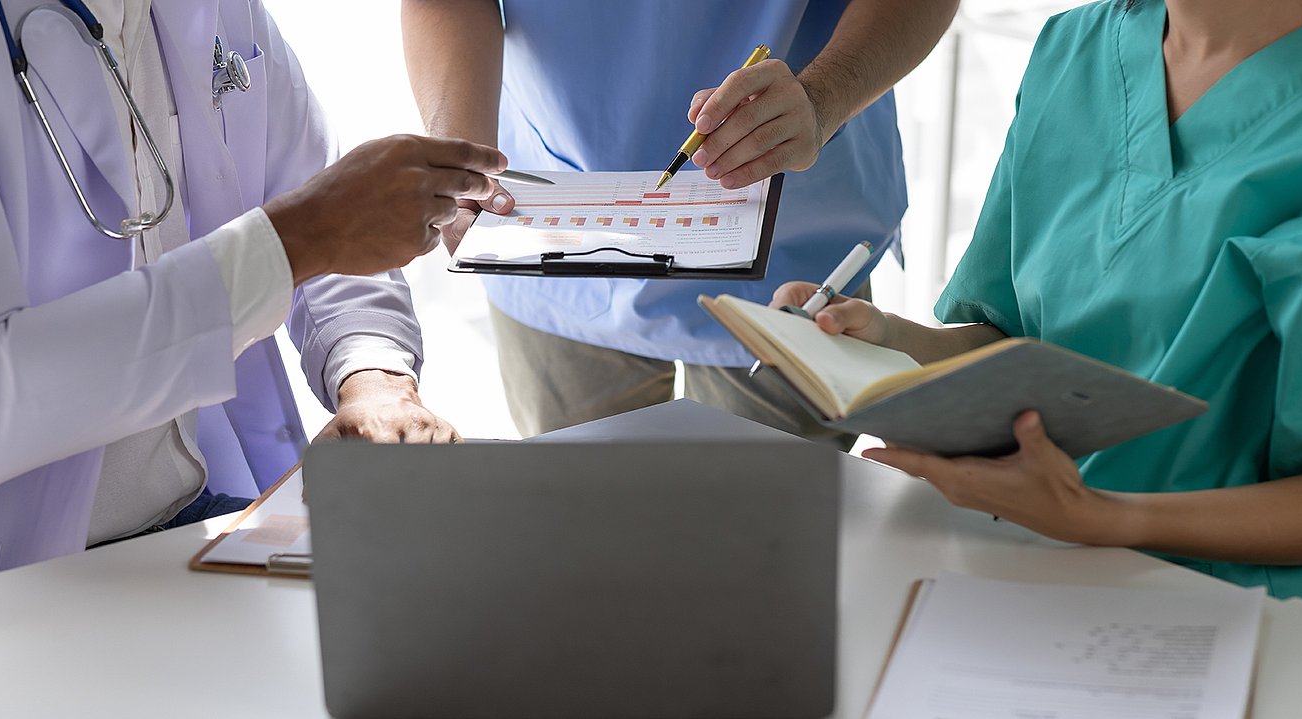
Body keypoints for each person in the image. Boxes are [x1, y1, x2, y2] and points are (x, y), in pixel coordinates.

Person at [0, 0, 506, 599]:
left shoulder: (214, 11)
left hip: (192, 517)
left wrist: (375, 376)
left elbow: (334, 207)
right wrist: (300, 239)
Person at [774, 0, 1302, 600]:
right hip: (1022, 556)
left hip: (1241, 605)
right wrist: (891, 343)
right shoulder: (1077, 48)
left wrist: (1101, 516)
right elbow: (1020, 344)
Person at [401, 0, 958, 444]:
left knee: (765, 544)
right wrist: (458, 153)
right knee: (581, 533)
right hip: (547, 221)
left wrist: (821, 98)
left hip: (789, 238)